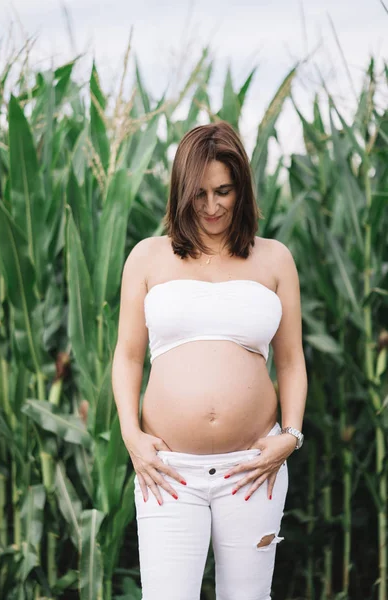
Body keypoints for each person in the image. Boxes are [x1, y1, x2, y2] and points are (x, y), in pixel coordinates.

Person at [112, 121, 307, 600]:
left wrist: (291, 435)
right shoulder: (147, 257)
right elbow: (127, 357)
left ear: (241, 187)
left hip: (252, 470)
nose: (212, 206)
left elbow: (292, 362)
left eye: (224, 191)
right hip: (167, 472)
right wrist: (132, 437)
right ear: (181, 192)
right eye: (198, 194)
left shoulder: (275, 259)